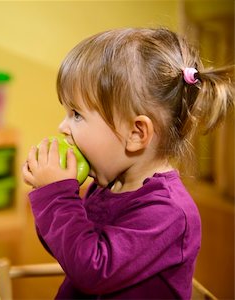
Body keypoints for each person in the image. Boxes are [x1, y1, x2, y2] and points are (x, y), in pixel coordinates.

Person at [22, 28, 234, 299]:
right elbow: (72, 251)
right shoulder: (108, 185)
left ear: (136, 133)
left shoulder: (168, 213)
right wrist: (55, 197)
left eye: (76, 114)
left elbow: (92, 270)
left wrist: (56, 199)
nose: (62, 126)